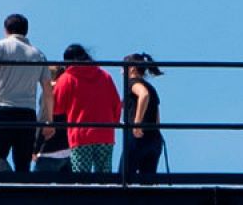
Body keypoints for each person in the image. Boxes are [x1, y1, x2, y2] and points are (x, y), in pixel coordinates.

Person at [0, 13, 52, 173]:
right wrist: (49, 120)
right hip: (28, 113)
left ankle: (7, 180)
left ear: (6, 29)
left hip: (4, 110)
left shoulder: (0, 45)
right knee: (23, 162)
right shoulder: (38, 54)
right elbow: (47, 89)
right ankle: (21, 191)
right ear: (26, 31)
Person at [51, 44, 121, 174]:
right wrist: (114, 122)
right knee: (105, 177)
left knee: (81, 177)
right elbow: (116, 104)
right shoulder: (105, 76)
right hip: (105, 133)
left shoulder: (67, 78)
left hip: (80, 135)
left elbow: (56, 108)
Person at [121, 52, 164, 181]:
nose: (121, 72)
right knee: (148, 182)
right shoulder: (151, 87)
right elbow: (156, 116)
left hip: (137, 138)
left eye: (123, 68)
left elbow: (143, 94)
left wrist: (137, 124)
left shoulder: (132, 83)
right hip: (154, 138)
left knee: (124, 178)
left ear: (132, 68)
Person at [33, 66, 71, 174]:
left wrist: (35, 148)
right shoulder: (69, 89)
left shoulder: (48, 92)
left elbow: (43, 120)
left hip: (49, 151)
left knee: (35, 188)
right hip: (69, 149)